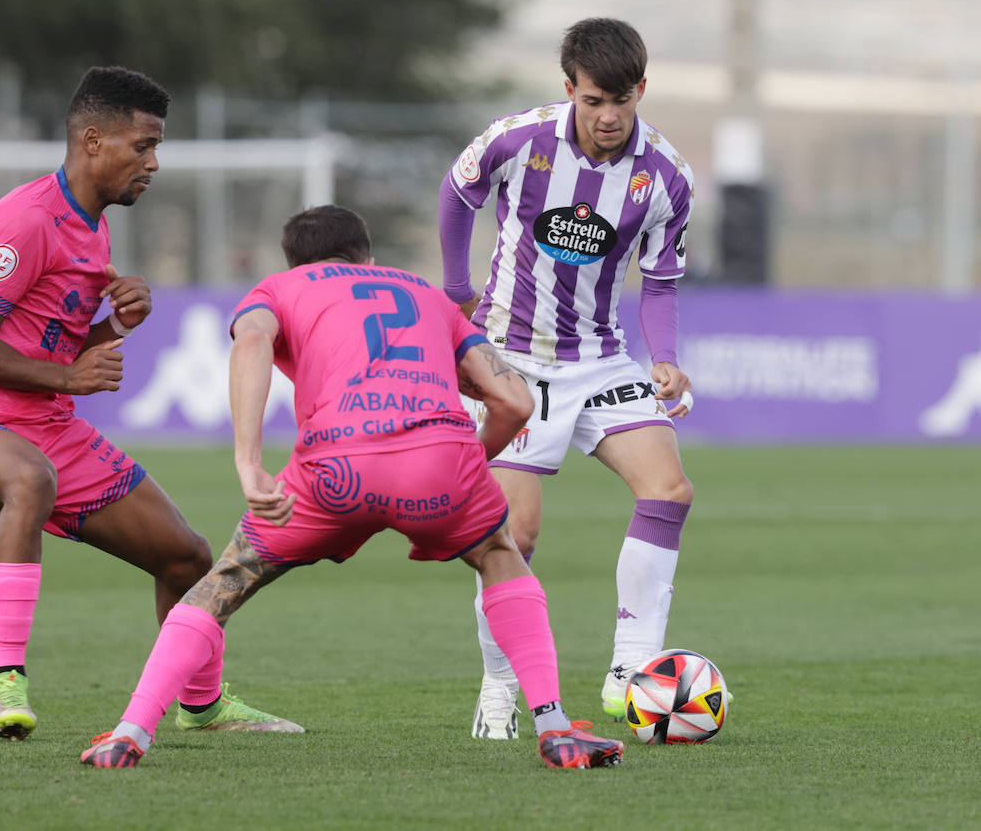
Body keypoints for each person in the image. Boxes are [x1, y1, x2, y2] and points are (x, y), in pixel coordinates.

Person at [79, 205, 625, 770]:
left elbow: (251, 344)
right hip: (441, 460)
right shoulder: (427, 295)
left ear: (295, 261)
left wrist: (248, 464)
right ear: (367, 256)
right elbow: (514, 401)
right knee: (499, 554)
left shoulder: (279, 288)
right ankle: (556, 728)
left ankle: (130, 732)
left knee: (229, 578)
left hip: (335, 469)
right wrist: (464, 465)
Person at [0, 65, 294, 741]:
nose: (153, 162)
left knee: (187, 556)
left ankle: (202, 704)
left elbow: (57, 344)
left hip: (48, 427)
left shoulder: (91, 225)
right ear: (93, 140)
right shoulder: (27, 221)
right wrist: (67, 380)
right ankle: (5, 684)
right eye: (142, 145)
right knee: (29, 478)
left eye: (156, 146)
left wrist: (119, 324)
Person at [438, 16, 696, 735]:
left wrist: (664, 356)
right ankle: (499, 687)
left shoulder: (666, 177)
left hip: (602, 356)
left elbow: (664, 279)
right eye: (594, 100)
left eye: (622, 99)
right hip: (512, 359)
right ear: (569, 90)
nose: (609, 116)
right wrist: (457, 287)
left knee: (669, 489)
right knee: (512, 535)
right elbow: (456, 193)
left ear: (642, 89)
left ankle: (632, 669)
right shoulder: (519, 140)